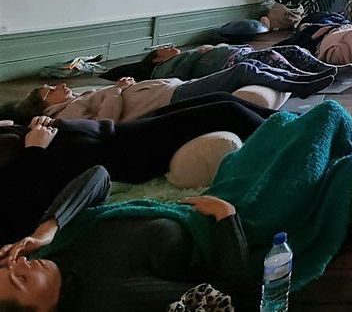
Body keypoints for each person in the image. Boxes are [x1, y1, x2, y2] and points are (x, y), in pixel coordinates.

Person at [0, 103, 352, 312]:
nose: (23, 267)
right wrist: (226, 220)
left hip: (204, 201)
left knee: (279, 124)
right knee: (326, 114)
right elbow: (230, 293)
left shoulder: (57, 247)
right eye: (20, 282)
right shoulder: (111, 296)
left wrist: (47, 229)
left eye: (10, 267)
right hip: (245, 219)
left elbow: (98, 176)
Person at [1, 94, 271, 243]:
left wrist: (31, 124)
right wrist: (35, 149)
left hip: (107, 132)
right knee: (227, 111)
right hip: (118, 155)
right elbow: (23, 211)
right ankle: (288, 137)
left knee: (220, 99)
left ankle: (287, 121)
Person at [12, 57, 333, 123]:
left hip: (171, 89)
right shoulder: (65, 114)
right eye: (51, 89)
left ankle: (299, 82)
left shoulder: (80, 96)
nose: (60, 85)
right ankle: (300, 86)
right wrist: (118, 91)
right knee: (243, 71)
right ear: (44, 104)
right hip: (167, 99)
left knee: (247, 68)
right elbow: (105, 124)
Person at [101, 41, 339, 83]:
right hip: (228, 65)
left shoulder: (183, 55)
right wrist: (198, 52)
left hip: (236, 54)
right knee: (272, 58)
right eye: (164, 49)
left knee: (293, 49)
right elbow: (180, 75)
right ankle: (304, 78)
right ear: (157, 58)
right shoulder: (163, 69)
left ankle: (326, 69)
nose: (170, 47)